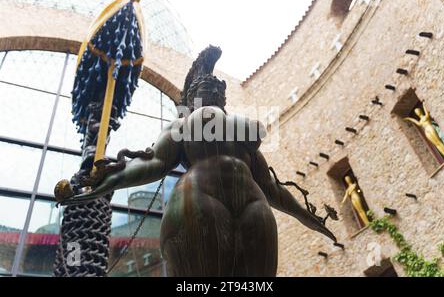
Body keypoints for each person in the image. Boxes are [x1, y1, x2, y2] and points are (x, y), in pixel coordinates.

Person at [58, 46, 336, 276]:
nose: (214, 93)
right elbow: (154, 163)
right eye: (207, 89)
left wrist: (309, 218)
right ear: (191, 99)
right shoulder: (185, 125)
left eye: (218, 92)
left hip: (254, 204)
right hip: (200, 199)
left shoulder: (241, 137)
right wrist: (105, 183)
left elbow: (271, 187)